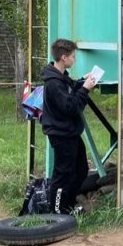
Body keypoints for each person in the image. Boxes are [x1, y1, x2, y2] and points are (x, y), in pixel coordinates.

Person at [39, 39, 96, 215]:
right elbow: (70, 107)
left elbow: (69, 89)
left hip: (70, 131)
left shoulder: (60, 76)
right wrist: (85, 90)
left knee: (80, 169)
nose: (75, 59)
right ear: (64, 57)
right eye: (73, 56)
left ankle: (68, 205)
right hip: (61, 133)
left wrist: (80, 82)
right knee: (63, 173)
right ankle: (56, 211)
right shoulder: (53, 82)